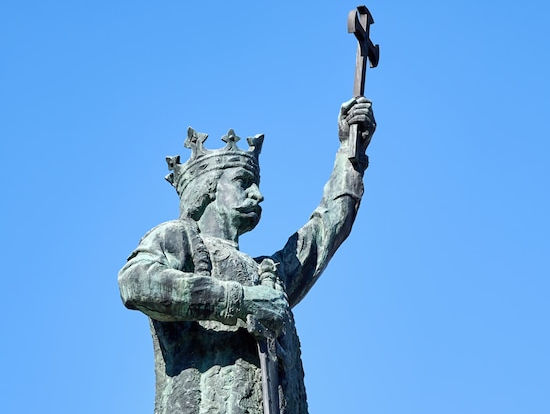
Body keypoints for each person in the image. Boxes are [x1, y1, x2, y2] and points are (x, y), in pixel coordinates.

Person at [118, 97, 376, 414]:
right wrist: (242, 301)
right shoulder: (179, 237)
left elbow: (326, 229)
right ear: (207, 189)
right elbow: (136, 283)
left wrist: (350, 151)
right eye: (244, 183)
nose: (258, 194)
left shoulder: (268, 274)